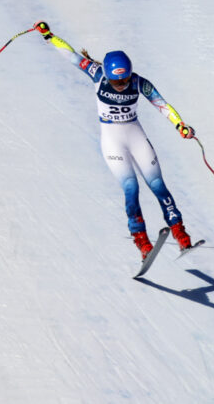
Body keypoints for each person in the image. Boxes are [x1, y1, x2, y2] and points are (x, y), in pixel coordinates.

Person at [33, 21, 195, 260]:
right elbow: (72, 56)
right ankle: (141, 240)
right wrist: (49, 35)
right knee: (131, 187)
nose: (121, 86)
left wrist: (179, 124)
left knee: (158, 185)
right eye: (116, 82)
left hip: (134, 134)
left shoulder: (139, 82)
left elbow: (162, 104)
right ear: (107, 75)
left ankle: (180, 232)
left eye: (124, 80)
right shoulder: (96, 74)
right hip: (112, 140)